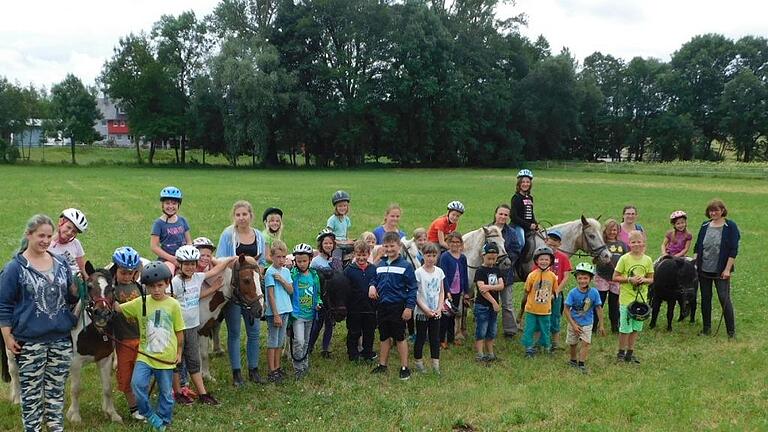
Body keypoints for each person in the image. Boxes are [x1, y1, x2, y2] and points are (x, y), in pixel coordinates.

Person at [0, 215, 79, 432]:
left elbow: (70, 298)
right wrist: (7, 336)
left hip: (60, 341)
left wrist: (78, 288)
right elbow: (4, 305)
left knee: (55, 395)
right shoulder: (15, 268)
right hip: (30, 343)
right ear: (29, 235)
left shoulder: (61, 264)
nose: (45, 240)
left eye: (48, 235)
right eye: (40, 235)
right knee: (31, 396)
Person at [112, 261, 184, 432]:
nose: (156, 290)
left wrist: (179, 352)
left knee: (166, 393)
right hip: (145, 356)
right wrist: (104, 294)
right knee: (137, 385)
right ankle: (148, 413)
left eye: (160, 285)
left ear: (167, 283)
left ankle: (164, 419)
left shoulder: (173, 305)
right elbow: (118, 309)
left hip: (166, 358)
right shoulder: (140, 302)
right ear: (146, 287)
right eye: (151, 287)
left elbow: (180, 331)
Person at [169, 245, 235, 404]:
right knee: (177, 360)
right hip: (178, 328)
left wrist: (229, 261)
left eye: (193, 264)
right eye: (186, 264)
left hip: (192, 326)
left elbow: (212, 273)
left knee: (193, 359)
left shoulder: (198, 277)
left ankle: (202, 393)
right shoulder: (176, 282)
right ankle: (178, 392)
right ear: (180, 264)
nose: (190, 267)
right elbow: (169, 300)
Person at [216, 200, 267, 386]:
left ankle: (254, 369)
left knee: (254, 331)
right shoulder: (228, 235)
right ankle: (237, 373)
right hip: (235, 288)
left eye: (244, 214)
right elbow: (220, 259)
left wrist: (257, 271)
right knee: (235, 332)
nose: (241, 218)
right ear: (234, 216)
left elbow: (261, 263)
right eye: (238, 215)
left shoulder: (259, 236)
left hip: (252, 288)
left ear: (251, 216)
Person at [369, 232, 418, 380]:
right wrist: (372, 286)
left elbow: (413, 288)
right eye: (386, 246)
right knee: (384, 336)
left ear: (399, 247)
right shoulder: (380, 264)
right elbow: (374, 279)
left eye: (392, 246)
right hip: (382, 306)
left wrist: (409, 307)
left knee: (399, 337)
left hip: (398, 306)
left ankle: (404, 367)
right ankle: (382, 364)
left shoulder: (406, 266)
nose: (389, 249)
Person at [693, 199, 740, 338]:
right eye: (711, 210)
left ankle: (731, 332)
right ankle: (706, 329)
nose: (713, 213)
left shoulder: (730, 226)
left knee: (724, 298)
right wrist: (695, 262)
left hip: (721, 270)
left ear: (722, 211)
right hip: (704, 269)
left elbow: (733, 250)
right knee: (705, 298)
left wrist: (727, 269)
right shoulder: (705, 225)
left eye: (716, 210)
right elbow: (698, 246)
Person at [110, 246, 146, 421]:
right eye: (123, 272)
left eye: (130, 273)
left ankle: (143, 404)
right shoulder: (111, 290)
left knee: (142, 374)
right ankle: (134, 409)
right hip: (123, 341)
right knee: (126, 377)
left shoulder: (139, 287)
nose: (126, 276)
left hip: (141, 338)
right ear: (115, 269)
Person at [613, 230, 654, 364]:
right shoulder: (624, 258)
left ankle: (630, 352)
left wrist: (643, 280)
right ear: (629, 244)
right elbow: (615, 277)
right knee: (625, 328)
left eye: (639, 242)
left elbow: (651, 279)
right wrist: (629, 279)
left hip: (641, 299)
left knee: (636, 327)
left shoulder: (647, 259)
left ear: (643, 243)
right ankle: (621, 352)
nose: (636, 244)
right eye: (633, 242)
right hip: (627, 299)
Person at [564, 263, 605, 374]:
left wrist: (601, 325)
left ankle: (581, 363)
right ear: (576, 278)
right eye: (580, 278)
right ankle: (573, 360)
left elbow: (598, 308)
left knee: (586, 343)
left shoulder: (594, 292)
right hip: (574, 322)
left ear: (591, 279)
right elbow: (566, 309)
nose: (583, 281)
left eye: (585, 278)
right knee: (573, 343)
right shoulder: (573, 293)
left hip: (587, 322)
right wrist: (573, 325)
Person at [289, 243, 321, 379]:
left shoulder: (314, 276)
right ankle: (298, 368)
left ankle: (304, 364)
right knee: (299, 341)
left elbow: (317, 293)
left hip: (310, 314)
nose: (301, 264)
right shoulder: (294, 275)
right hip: (298, 315)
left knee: (307, 341)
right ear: (295, 261)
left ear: (310, 260)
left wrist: (318, 302)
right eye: (299, 261)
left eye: (304, 261)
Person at [263, 241, 294, 384]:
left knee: (280, 341)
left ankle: (278, 366)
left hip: (286, 309)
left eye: (283, 257)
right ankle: (272, 369)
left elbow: (291, 290)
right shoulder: (269, 272)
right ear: (272, 257)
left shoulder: (286, 272)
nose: (281, 260)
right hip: (275, 312)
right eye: (278, 257)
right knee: (273, 340)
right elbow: (270, 295)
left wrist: (282, 280)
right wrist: (275, 314)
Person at [518, 246, 558, 358]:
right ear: (536, 261)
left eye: (546, 259)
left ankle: (545, 347)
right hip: (531, 309)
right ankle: (529, 348)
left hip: (545, 310)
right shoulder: (532, 275)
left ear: (550, 261)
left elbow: (554, 292)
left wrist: (552, 298)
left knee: (545, 329)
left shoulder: (552, 277)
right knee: (529, 329)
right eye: (541, 259)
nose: (544, 262)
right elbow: (526, 291)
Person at [309, 228, 342, 358]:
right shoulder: (316, 261)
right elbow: (311, 279)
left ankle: (325, 348)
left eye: (330, 243)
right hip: (320, 297)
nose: (328, 245)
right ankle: (310, 346)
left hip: (332, 298)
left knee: (330, 323)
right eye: (325, 243)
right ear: (321, 245)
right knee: (317, 323)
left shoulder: (336, 260)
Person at [344, 240, 378, 362]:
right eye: (358, 255)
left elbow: (376, 281)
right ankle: (353, 354)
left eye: (364, 255)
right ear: (354, 254)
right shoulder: (349, 270)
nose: (361, 258)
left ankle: (367, 353)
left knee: (369, 333)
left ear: (369, 254)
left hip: (370, 308)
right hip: (354, 308)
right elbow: (345, 289)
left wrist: (373, 286)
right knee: (354, 332)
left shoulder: (373, 269)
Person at [489, 204, 520, 337]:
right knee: (489, 302)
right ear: (495, 214)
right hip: (489, 272)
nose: (503, 217)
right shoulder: (487, 230)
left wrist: (505, 260)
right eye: (500, 214)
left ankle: (510, 330)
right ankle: (489, 328)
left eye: (506, 215)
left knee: (507, 303)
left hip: (506, 272)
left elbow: (516, 250)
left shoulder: (512, 232)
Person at [413, 242, 445, 373]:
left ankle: (435, 364)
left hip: (436, 311)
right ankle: (418, 362)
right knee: (421, 337)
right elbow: (416, 294)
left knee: (435, 338)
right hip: (422, 312)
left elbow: (441, 291)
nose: (431, 258)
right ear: (423, 256)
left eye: (433, 255)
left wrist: (439, 307)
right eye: (428, 255)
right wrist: (425, 310)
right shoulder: (418, 273)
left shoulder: (439, 272)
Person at [192, 237, 224, 355]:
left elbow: (221, 265)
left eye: (208, 256)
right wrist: (213, 288)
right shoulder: (188, 270)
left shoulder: (207, 265)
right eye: (202, 255)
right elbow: (194, 295)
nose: (205, 258)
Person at [593, 219, 626, 334]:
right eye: (610, 230)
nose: (612, 232)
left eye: (615, 229)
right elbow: (594, 260)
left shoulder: (622, 245)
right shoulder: (602, 244)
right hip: (602, 276)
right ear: (605, 231)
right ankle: (594, 326)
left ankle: (615, 326)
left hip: (616, 278)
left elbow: (626, 259)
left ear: (618, 231)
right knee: (599, 302)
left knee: (614, 303)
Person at [473, 242, 504, 362]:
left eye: (494, 258)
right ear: (483, 256)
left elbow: (501, 285)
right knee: (481, 329)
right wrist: (493, 302)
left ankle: (490, 353)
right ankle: (480, 353)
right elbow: (482, 290)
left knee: (492, 330)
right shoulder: (480, 271)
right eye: (489, 258)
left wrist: (489, 287)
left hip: (493, 307)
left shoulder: (497, 270)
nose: (491, 261)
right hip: (483, 305)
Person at [438, 231, 469, 348]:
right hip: (448, 292)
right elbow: (443, 275)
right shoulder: (445, 256)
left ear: (461, 243)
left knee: (453, 315)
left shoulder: (462, 258)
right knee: (445, 316)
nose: (455, 244)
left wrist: (465, 292)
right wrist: (447, 291)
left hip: (458, 291)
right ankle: (441, 339)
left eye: (457, 242)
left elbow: (465, 275)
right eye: (452, 242)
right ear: (448, 243)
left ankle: (451, 338)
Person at [151, 186, 192, 274]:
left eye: (174, 203)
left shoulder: (182, 220)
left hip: (184, 257)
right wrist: (172, 259)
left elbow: (189, 241)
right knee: (169, 271)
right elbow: (154, 247)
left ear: (178, 205)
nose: (170, 206)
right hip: (167, 258)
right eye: (167, 203)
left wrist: (188, 256)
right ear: (162, 205)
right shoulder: (158, 223)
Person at [546, 230, 572, 350]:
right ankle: (541, 341)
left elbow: (566, 276)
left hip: (556, 292)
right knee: (541, 315)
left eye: (555, 243)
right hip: (542, 292)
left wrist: (557, 290)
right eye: (550, 242)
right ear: (546, 241)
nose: (552, 245)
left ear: (560, 244)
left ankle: (555, 343)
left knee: (555, 316)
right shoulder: (541, 255)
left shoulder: (563, 258)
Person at [48, 208, 90, 279]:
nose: (69, 232)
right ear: (61, 222)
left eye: (74, 231)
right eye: (68, 227)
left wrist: (87, 280)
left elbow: (82, 268)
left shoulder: (76, 244)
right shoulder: (48, 244)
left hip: (75, 280)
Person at [509, 169, 537, 257]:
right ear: (519, 184)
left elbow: (530, 213)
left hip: (528, 225)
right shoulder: (516, 198)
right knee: (521, 243)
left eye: (528, 182)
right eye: (523, 182)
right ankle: (514, 263)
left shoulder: (530, 198)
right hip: (517, 226)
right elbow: (513, 216)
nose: (525, 184)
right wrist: (528, 225)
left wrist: (535, 223)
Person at [327, 190, 354, 262]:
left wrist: (348, 240)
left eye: (344, 206)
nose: (342, 208)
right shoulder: (332, 220)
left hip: (344, 242)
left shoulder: (346, 219)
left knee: (358, 248)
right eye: (340, 206)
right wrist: (337, 242)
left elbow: (346, 233)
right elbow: (329, 236)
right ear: (336, 207)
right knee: (337, 260)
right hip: (336, 244)